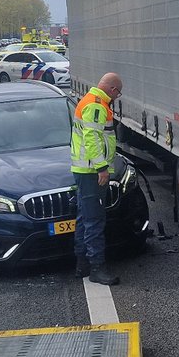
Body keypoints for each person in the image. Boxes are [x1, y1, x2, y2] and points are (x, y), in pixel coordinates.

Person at [71, 72, 123, 286]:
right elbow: (92, 138)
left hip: (84, 170)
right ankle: (96, 268)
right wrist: (102, 167)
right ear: (112, 90)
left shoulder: (91, 101)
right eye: (118, 94)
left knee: (84, 217)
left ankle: (82, 264)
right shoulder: (97, 105)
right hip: (92, 172)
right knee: (94, 220)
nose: (117, 97)